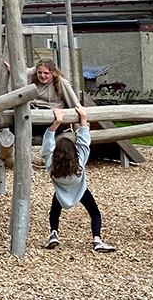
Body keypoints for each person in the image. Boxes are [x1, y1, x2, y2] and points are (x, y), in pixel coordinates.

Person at [41, 106, 116, 252]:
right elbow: (84, 141)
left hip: (61, 192)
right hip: (80, 190)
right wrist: (83, 117)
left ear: (56, 153)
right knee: (94, 213)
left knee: (55, 212)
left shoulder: (51, 164)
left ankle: (54, 233)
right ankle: (97, 240)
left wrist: (57, 122)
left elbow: (47, 144)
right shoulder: (80, 161)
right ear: (73, 153)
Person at [4, 58, 81, 109]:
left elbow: (74, 103)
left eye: (46, 73)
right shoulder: (32, 74)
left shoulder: (61, 82)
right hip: (34, 108)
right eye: (39, 72)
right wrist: (12, 70)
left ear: (53, 73)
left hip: (52, 112)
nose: (42, 76)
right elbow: (20, 74)